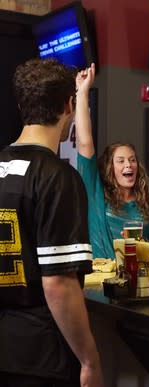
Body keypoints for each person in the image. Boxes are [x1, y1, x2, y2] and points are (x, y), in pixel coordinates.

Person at [0, 58, 103, 386]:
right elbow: (58, 284)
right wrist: (89, 359)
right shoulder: (58, 178)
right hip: (39, 354)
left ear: (21, 106)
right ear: (69, 105)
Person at [76, 64, 149, 259]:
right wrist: (82, 92)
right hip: (102, 283)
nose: (128, 165)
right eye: (120, 161)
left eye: (132, 160)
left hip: (139, 281)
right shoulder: (96, 194)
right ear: (110, 168)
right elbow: (85, 143)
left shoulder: (146, 204)